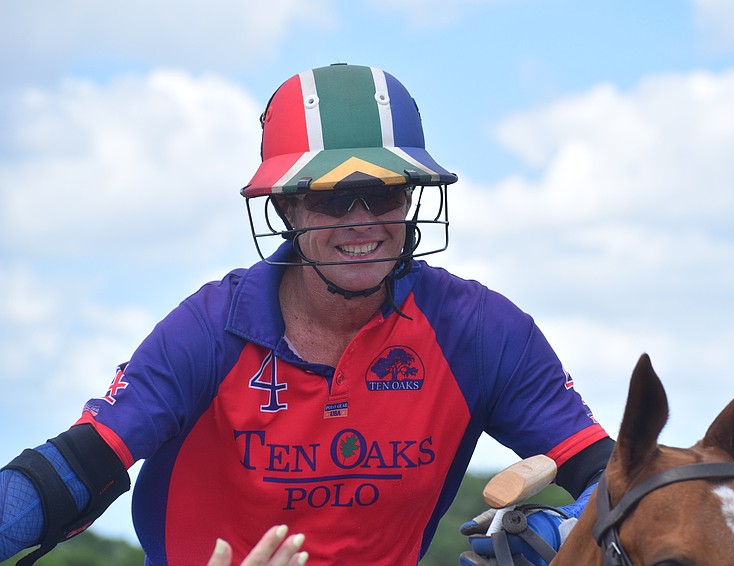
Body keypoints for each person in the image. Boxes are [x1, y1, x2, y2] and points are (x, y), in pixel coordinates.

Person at [0, 63, 613, 565]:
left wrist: (564, 535)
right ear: (287, 208)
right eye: (328, 198)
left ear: (413, 198)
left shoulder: (480, 330)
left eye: (382, 193)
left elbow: (613, 473)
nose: (361, 222)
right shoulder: (208, 328)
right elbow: (73, 470)